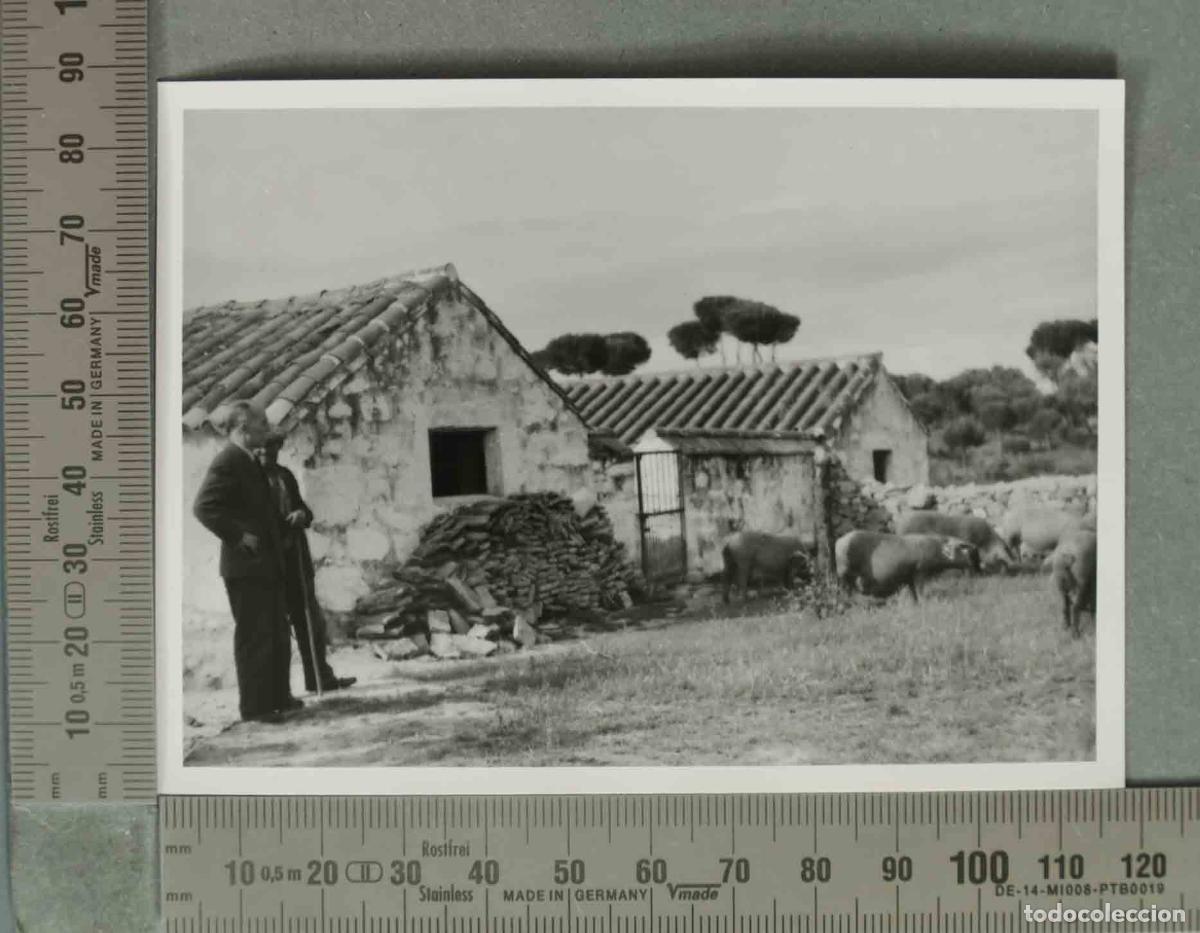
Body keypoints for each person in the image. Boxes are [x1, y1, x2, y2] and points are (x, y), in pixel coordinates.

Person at [192, 401, 298, 724]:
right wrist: (238, 537)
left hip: (265, 565)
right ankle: (256, 707)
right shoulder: (228, 460)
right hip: (245, 567)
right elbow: (204, 508)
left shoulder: (249, 461)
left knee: (276, 632)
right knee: (255, 636)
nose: (266, 431)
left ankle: (279, 697)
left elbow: (261, 514)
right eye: (261, 425)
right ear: (242, 429)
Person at [257, 430, 357, 695]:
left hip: (295, 560)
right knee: (275, 628)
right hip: (269, 564)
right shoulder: (252, 480)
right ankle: (278, 690)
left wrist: (302, 514)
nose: (268, 455)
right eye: (263, 450)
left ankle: (319, 678)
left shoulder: (285, 476)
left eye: (273, 449)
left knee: (310, 621)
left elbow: (304, 509)